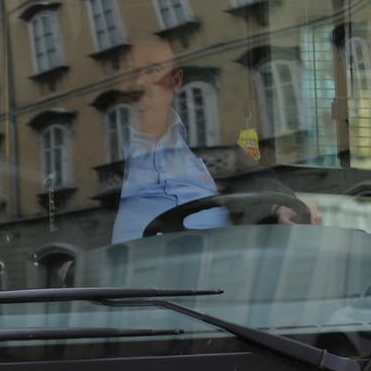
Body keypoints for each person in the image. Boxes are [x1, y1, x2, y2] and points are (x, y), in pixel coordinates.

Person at [112, 38, 313, 242]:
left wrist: (280, 206)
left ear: (175, 80)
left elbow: (255, 179)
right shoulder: (107, 149)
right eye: (132, 73)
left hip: (219, 262)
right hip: (132, 266)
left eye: (152, 70)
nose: (139, 84)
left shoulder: (212, 133)